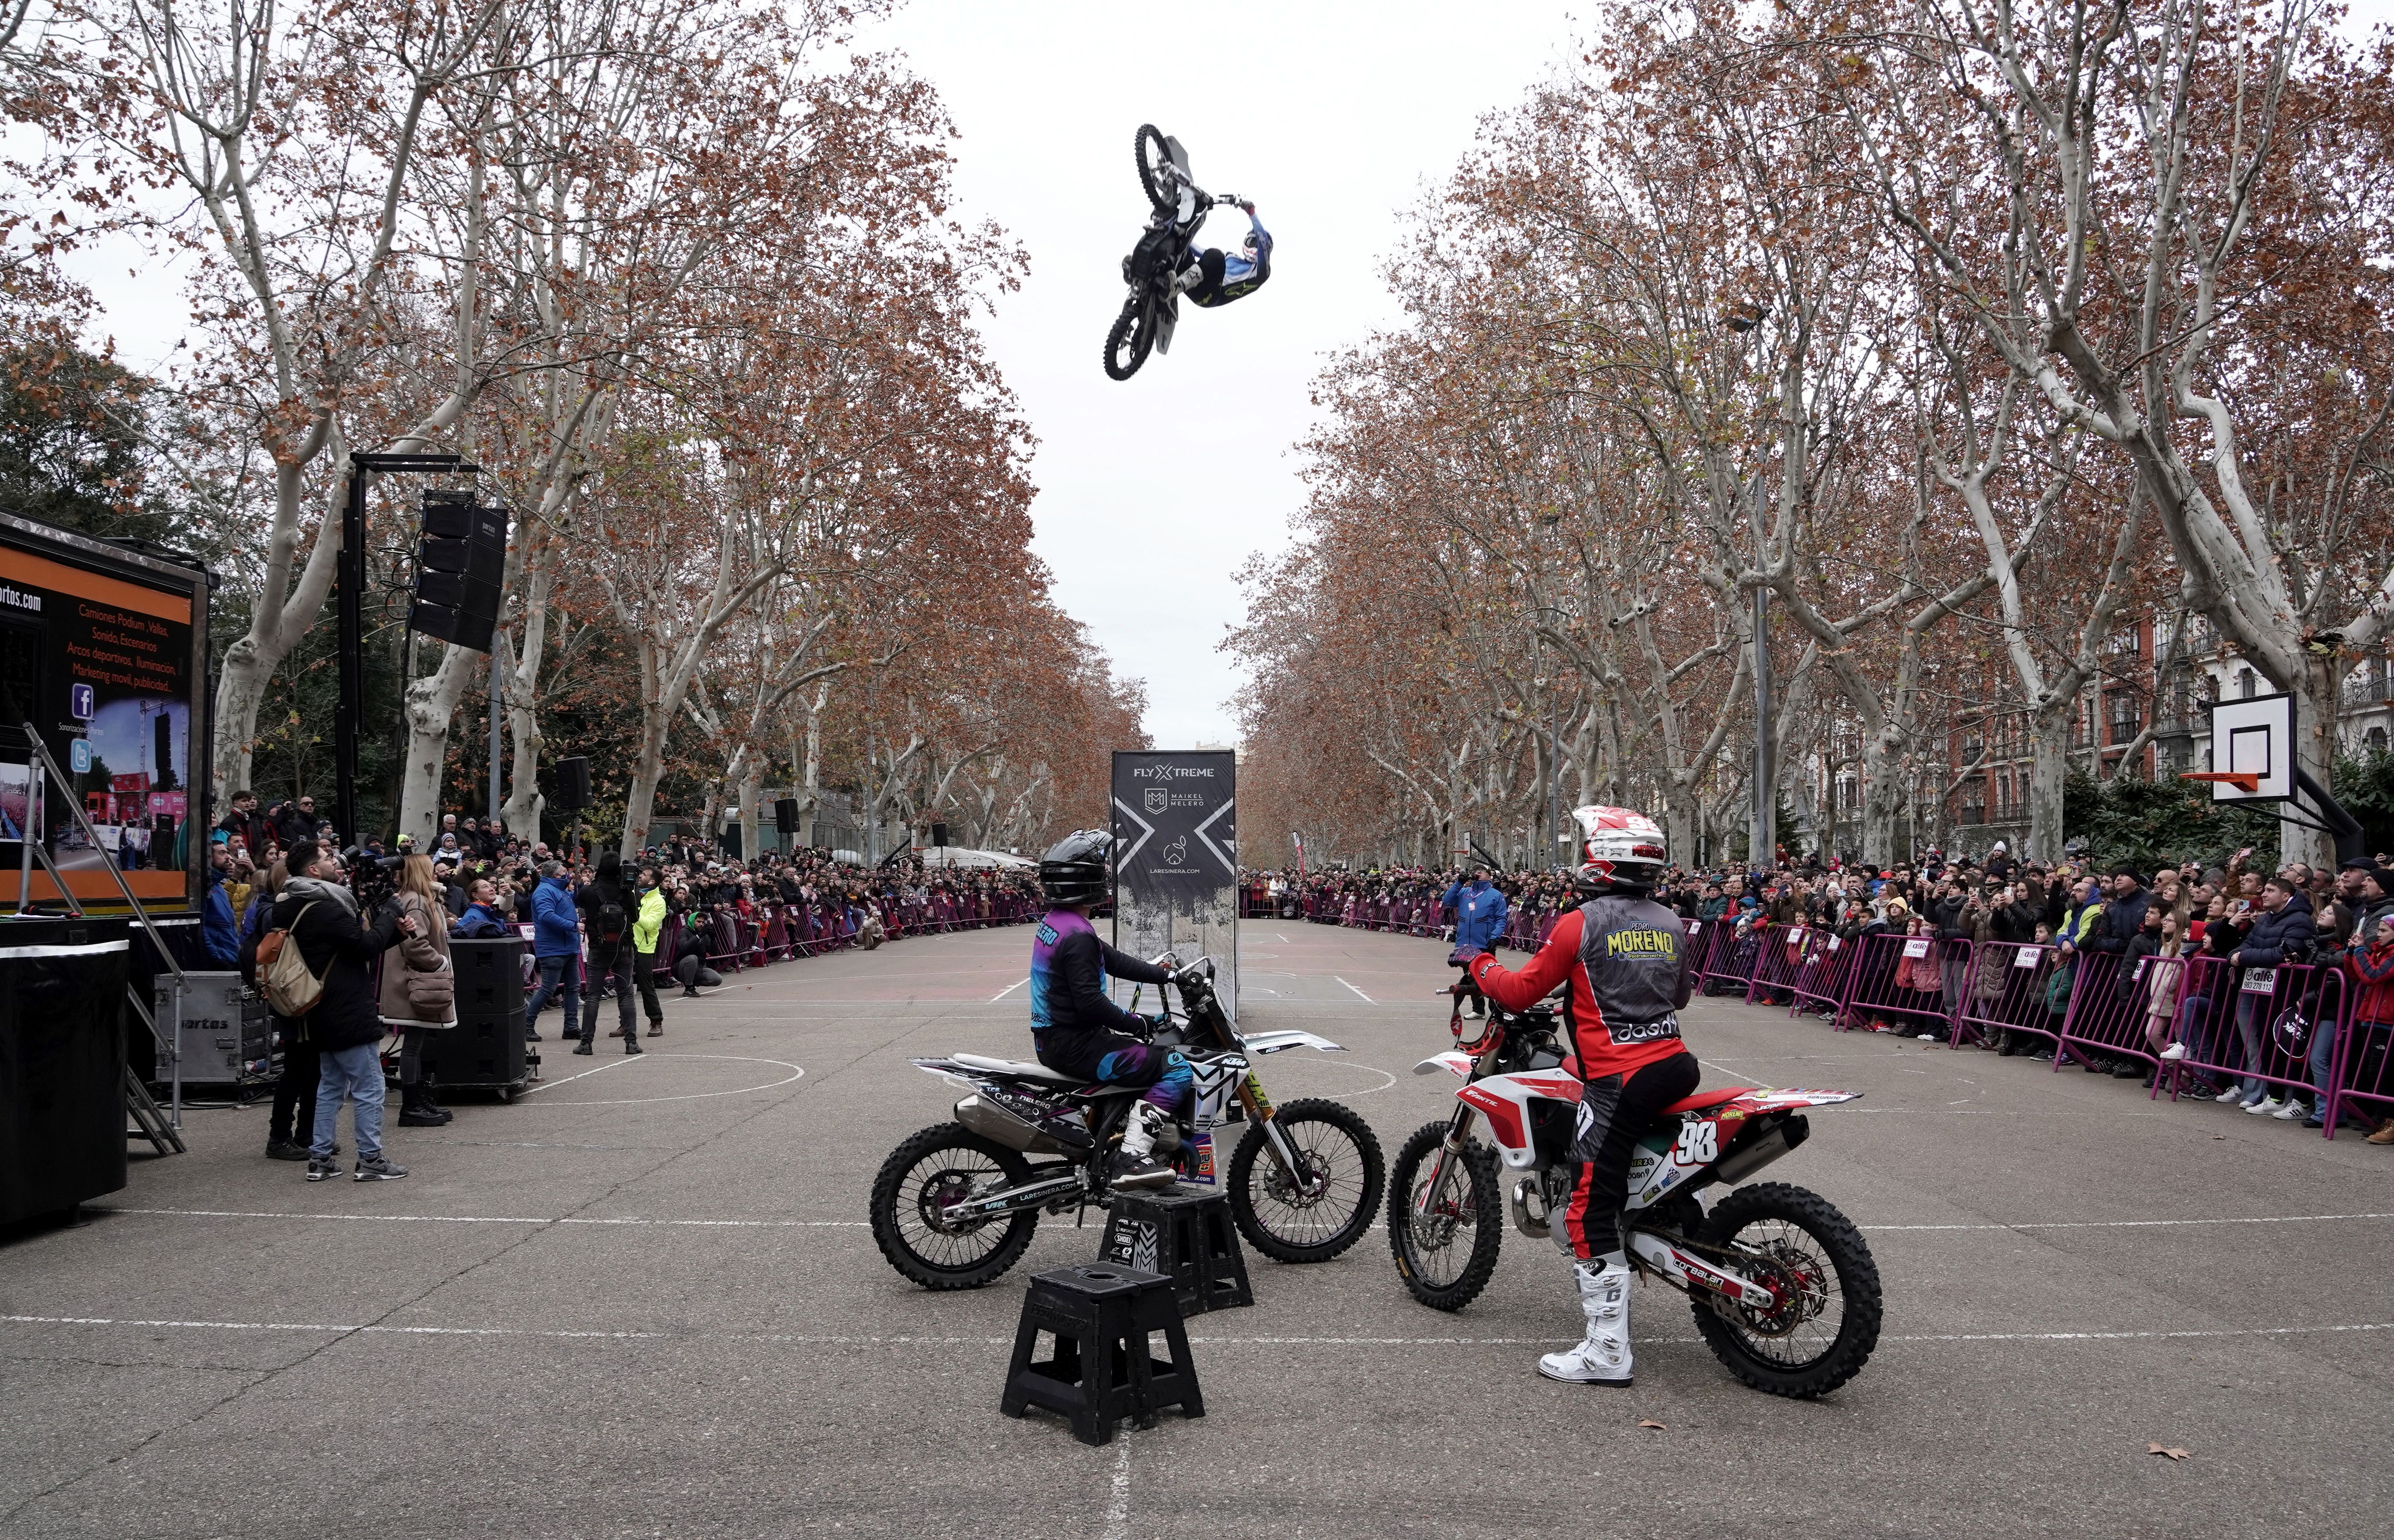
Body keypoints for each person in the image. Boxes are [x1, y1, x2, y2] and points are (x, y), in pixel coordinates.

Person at [1461, 804, 1695, 1389]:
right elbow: (1680, 994)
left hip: (1620, 1075)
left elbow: (1519, 991)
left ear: (1600, 859)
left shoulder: (1579, 923)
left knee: (1586, 1206)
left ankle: (1607, 1351)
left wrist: (1480, 963)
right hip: (1673, 1063)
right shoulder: (1669, 920)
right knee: (1618, 1172)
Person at [1026, 828, 1185, 1190]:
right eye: (1101, 867)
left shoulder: (1058, 923)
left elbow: (1113, 960)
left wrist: (1170, 976)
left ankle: (1110, 1140)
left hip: (1057, 1039)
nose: (1106, 872)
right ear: (1088, 879)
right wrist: (1138, 1023)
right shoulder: (1078, 935)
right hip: (1076, 1043)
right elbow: (1091, 1003)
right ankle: (1131, 1156)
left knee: (1142, 1056)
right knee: (1175, 1068)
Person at [268, 839, 412, 1181]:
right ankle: (371, 1159)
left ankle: (320, 1158)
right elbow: (362, 946)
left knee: (331, 1085)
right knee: (370, 1087)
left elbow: (350, 950)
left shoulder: (292, 904)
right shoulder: (323, 907)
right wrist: (391, 911)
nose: (336, 861)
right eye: (328, 857)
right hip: (344, 1006)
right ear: (314, 870)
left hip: (318, 1005)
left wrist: (394, 934)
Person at [380, 854, 457, 1127]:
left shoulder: (417, 898)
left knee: (416, 1044)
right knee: (413, 1046)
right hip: (413, 979)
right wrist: (440, 962)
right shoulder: (417, 900)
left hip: (413, 978)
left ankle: (417, 1099)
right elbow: (414, 944)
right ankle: (411, 1104)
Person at [575, 850, 641, 1056]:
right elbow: (636, 917)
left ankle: (586, 1043)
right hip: (623, 947)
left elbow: (580, 903)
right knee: (626, 995)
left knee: (593, 996)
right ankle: (631, 1043)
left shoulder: (590, 891)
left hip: (598, 947)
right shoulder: (626, 892)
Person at [523, 859, 581, 1042]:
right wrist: (573, 926)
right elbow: (546, 916)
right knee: (548, 989)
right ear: (556, 875)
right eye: (565, 872)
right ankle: (526, 1025)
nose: (568, 874)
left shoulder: (559, 890)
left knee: (573, 988)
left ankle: (571, 1027)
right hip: (553, 948)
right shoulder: (545, 891)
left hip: (567, 947)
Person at [1442, 861, 1509, 1018]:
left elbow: (1501, 919)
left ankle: (1496, 1009)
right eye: (1476, 871)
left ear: (1489, 876)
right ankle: (1478, 1009)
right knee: (1471, 976)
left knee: (1489, 977)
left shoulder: (1496, 895)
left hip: (1485, 943)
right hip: (1465, 943)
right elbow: (1448, 901)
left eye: (1481, 871)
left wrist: (1495, 936)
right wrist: (1458, 883)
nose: (1478, 873)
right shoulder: (1465, 892)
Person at [1175, 201, 1272, 308]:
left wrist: (1252, 214)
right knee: (1180, 249)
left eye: (1257, 244)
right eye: (1252, 243)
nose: (1255, 247)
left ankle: (1177, 286)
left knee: (1216, 255)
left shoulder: (1261, 273)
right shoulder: (1231, 257)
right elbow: (1201, 253)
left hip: (1209, 296)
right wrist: (1180, 238)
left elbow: (1263, 243)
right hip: (1195, 286)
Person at [632, 863, 668, 1036]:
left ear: (652, 882)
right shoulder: (633, 894)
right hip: (625, 945)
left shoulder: (659, 902)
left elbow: (649, 925)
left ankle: (656, 1021)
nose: (640, 876)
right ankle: (626, 1023)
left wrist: (635, 909)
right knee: (624, 987)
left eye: (644, 875)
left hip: (644, 948)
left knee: (647, 986)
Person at [201, 838, 241, 966]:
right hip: (220, 960)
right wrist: (217, 957)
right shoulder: (204, 888)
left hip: (230, 956)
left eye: (227, 852)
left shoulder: (218, 886)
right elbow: (201, 929)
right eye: (222, 853)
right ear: (209, 857)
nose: (228, 857)